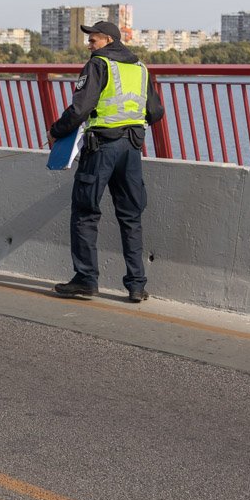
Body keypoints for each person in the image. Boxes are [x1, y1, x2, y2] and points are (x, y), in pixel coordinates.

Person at [48, 20, 165, 304]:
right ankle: (136, 285)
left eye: (93, 40)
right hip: (132, 149)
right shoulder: (140, 68)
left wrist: (55, 132)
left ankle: (86, 280)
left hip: (101, 148)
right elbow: (156, 111)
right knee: (131, 215)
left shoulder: (99, 65)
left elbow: (80, 109)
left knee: (86, 211)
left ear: (109, 40)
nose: (89, 46)